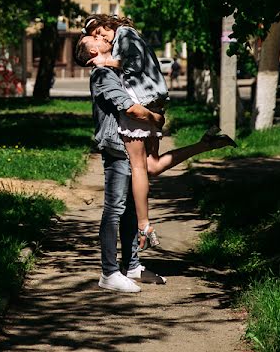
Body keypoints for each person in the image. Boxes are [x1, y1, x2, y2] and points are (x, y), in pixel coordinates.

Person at [89, 61, 237, 292]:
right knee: (116, 208)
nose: (104, 39)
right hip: (120, 144)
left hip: (133, 134)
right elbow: (129, 107)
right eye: (97, 36)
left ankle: (131, 265)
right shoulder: (103, 72)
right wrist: (155, 119)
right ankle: (109, 272)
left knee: (134, 195)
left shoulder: (125, 64)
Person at [77, 15, 169, 252]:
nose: (101, 36)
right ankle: (137, 242)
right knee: (148, 167)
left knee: (140, 169)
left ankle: (143, 227)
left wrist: (106, 61)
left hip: (145, 100)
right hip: (148, 102)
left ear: (108, 23)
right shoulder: (116, 47)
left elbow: (133, 67)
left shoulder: (124, 35)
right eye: (96, 37)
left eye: (100, 32)